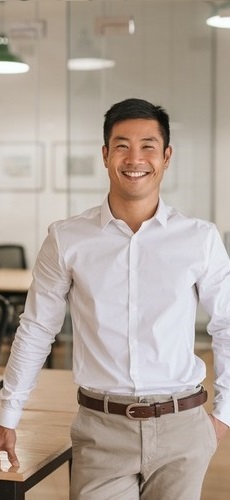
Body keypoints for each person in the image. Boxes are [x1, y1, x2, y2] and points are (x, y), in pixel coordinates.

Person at [0, 97, 230, 500]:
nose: (134, 158)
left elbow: (226, 324)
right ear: (105, 155)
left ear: (166, 156)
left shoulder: (200, 238)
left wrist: (224, 416)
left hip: (182, 426)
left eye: (148, 146)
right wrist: (7, 412)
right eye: (122, 145)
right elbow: (37, 328)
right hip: (101, 428)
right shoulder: (67, 237)